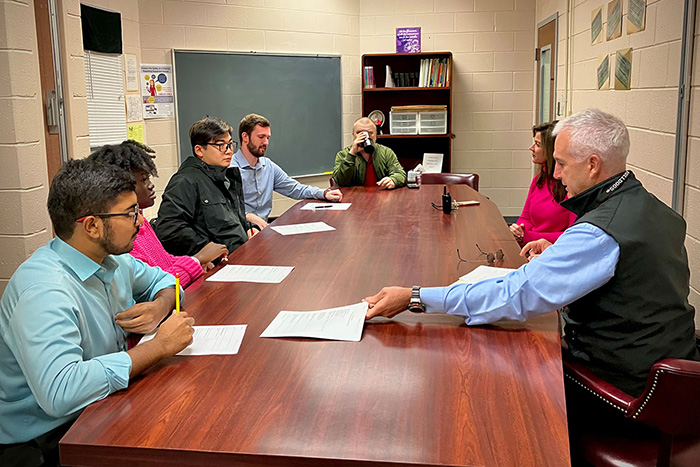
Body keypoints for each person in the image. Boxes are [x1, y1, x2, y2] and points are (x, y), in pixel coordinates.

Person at [363, 108, 698, 400]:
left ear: (593, 165)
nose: (555, 173)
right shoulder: (652, 208)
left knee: (483, 377)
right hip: (665, 367)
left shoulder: (599, 233)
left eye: (563, 164)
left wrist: (414, 297)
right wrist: (561, 251)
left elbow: (514, 296)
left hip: (625, 389)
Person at [0, 158, 194, 466]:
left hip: (101, 406)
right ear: (91, 225)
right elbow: (61, 392)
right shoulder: (44, 290)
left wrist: (161, 306)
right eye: (131, 213)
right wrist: (160, 346)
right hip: (46, 440)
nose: (141, 223)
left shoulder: (112, 259)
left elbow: (166, 280)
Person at [89, 141, 229, 288]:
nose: (151, 185)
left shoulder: (142, 221)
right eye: (143, 180)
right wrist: (197, 260)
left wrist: (196, 264)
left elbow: (165, 261)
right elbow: (155, 284)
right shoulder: (122, 234)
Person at [154, 117, 256, 257]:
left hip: (238, 256)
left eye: (230, 144)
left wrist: (248, 230)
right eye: (221, 145)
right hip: (215, 264)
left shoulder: (223, 176)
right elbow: (169, 228)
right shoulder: (185, 180)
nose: (228, 151)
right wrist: (206, 249)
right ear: (199, 150)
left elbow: (226, 221)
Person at [230, 114, 343, 230]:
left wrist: (324, 193)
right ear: (245, 137)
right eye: (261, 137)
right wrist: (247, 216)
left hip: (263, 230)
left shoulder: (268, 166)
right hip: (239, 232)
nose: (266, 143)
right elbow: (225, 209)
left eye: (267, 138)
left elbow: (295, 188)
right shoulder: (230, 168)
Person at [510, 121, 575, 245]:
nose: (532, 148)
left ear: (551, 150)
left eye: (537, 144)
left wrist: (528, 236)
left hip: (552, 249)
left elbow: (571, 236)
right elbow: (526, 217)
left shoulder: (571, 186)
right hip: (530, 245)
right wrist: (518, 230)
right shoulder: (538, 180)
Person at [333, 117, 407, 189]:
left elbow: (400, 174)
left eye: (369, 133)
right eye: (359, 133)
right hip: (355, 197)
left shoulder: (386, 152)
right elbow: (341, 182)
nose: (365, 137)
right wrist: (352, 153)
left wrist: (393, 180)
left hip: (381, 196)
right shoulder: (343, 154)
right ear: (353, 136)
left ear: (376, 135)